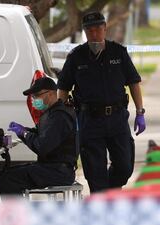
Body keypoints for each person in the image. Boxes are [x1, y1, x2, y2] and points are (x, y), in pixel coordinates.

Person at [57, 11, 146, 193]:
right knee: (95, 173)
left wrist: (140, 112)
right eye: (90, 30)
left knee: (124, 166)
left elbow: (134, 82)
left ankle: (110, 193)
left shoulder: (118, 53)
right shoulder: (76, 57)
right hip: (90, 121)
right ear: (85, 32)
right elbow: (63, 88)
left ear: (105, 29)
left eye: (98, 29)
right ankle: (103, 204)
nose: (95, 34)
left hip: (117, 118)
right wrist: (61, 116)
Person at [0, 77, 78, 195]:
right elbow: (39, 134)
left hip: (59, 172)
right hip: (51, 168)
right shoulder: (51, 113)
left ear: (50, 94)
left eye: (36, 95)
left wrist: (24, 133)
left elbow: (42, 146)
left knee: (8, 179)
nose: (34, 99)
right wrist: (23, 131)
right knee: (5, 174)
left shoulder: (60, 116)